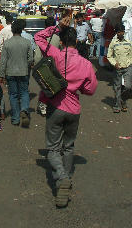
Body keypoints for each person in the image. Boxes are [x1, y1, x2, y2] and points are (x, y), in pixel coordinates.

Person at [34, 16, 98, 208]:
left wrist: (55, 27)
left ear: (61, 42)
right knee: (68, 147)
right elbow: (90, 90)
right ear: (76, 41)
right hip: (74, 109)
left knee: (53, 148)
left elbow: (38, 37)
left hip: (55, 107)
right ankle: (67, 178)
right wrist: (77, 86)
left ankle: (61, 178)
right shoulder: (86, 64)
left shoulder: (55, 55)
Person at [0, 19, 33, 127]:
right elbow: (30, 59)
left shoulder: (7, 44)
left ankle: (15, 118)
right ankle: (24, 109)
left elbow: (3, 61)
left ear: (13, 30)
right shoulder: (27, 42)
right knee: (24, 93)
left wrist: (1, 75)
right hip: (24, 72)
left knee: (13, 95)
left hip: (10, 73)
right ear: (21, 30)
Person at [34, 17, 62, 116]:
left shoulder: (41, 37)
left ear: (45, 25)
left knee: (45, 85)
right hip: (56, 65)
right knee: (55, 84)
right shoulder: (58, 38)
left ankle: (43, 105)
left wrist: (37, 65)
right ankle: (52, 105)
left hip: (44, 65)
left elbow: (37, 54)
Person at [106, 23, 132, 113]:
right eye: (118, 32)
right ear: (116, 33)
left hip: (127, 67)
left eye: (122, 32)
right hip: (117, 68)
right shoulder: (113, 43)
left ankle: (122, 99)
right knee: (117, 87)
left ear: (124, 32)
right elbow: (109, 56)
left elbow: (131, 55)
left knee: (128, 86)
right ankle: (117, 105)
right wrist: (114, 64)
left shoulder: (128, 42)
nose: (120, 33)